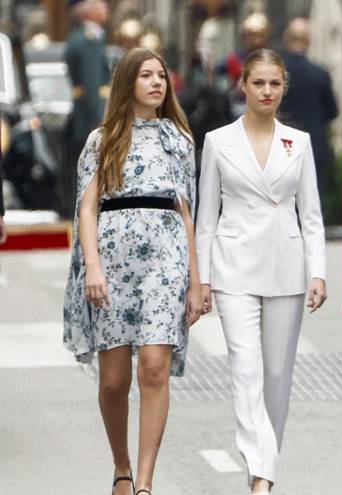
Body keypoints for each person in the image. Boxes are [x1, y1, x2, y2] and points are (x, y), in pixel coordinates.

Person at [62, 48, 201, 495]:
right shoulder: (102, 140)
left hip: (166, 256)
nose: (157, 82)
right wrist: (93, 268)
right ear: (128, 83)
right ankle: (121, 466)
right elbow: (86, 210)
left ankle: (144, 482)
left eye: (162, 75)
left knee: (155, 368)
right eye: (146, 75)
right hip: (113, 260)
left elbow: (188, 212)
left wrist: (197, 282)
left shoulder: (178, 140)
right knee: (114, 381)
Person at [195, 48, 326, 495]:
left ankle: (261, 464)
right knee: (245, 368)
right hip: (233, 268)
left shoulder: (299, 142)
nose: (267, 91)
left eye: (275, 84)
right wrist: (204, 279)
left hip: (287, 268)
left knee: (276, 377)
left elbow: (311, 215)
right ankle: (263, 478)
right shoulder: (217, 141)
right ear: (243, 86)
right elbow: (206, 217)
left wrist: (319, 272)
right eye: (259, 83)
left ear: (283, 87)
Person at [62, 0, 111, 218]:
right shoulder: (88, 40)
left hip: (84, 114)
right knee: (91, 168)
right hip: (90, 116)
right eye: (101, 4)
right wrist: (99, 117)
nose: (105, 8)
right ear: (89, 11)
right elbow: (92, 84)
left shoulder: (87, 37)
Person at [279, 17, 339, 193]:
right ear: (308, 40)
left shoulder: (275, 75)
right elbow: (333, 111)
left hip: (281, 147)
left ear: (286, 38)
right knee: (313, 204)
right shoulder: (319, 74)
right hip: (314, 147)